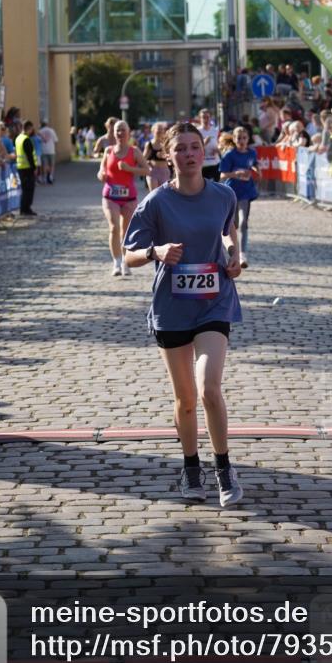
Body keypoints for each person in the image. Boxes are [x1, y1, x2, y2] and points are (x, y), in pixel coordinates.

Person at [123, 122, 244, 506]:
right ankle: (191, 466)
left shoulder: (224, 195)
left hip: (214, 301)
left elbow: (228, 232)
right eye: (181, 149)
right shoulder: (156, 202)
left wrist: (234, 254)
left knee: (209, 386)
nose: (190, 155)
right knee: (186, 399)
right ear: (168, 155)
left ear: (204, 151)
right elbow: (130, 254)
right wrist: (155, 252)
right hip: (172, 307)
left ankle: (224, 466)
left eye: (195, 148)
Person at [97, 120, 148, 276]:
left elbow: (146, 170)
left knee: (126, 231)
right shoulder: (108, 151)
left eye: (123, 130)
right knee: (114, 227)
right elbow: (101, 171)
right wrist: (101, 175)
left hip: (129, 197)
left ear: (129, 132)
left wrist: (129, 168)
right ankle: (116, 263)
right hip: (110, 195)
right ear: (113, 132)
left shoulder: (135, 152)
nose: (120, 133)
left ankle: (126, 261)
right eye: (117, 130)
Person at [219, 125, 260, 268]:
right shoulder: (230, 155)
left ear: (248, 139)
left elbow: (254, 164)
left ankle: (242, 254)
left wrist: (256, 170)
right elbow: (222, 175)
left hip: (246, 192)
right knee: (233, 224)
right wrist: (235, 174)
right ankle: (231, 251)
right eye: (239, 138)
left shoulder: (252, 153)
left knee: (243, 223)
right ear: (234, 139)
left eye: (244, 138)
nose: (242, 140)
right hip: (232, 192)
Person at [15, 119, 38, 216]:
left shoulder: (18, 138)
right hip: (27, 168)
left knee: (25, 189)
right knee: (28, 190)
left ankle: (23, 208)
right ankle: (26, 209)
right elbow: (29, 155)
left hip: (21, 167)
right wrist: (34, 168)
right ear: (29, 128)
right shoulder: (26, 139)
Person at [143, 122, 170, 191]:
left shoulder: (166, 144)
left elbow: (171, 158)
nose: (160, 132)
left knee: (164, 193)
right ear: (153, 131)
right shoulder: (149, 144)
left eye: (161, 130)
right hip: (153, 172)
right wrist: (148, 163)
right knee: (154, 193)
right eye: (158, 130)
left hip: (164, 172)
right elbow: (142, 159)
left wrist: (165, 156)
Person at [196, 109, 220, 181]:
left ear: (210, 118)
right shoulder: (197, 131)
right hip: (203, 164)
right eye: (204, 117)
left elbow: (220, 145)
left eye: (208, 117)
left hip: (215, 163)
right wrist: (204, 143)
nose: (206, 119)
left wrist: (218, 150)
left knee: (216, 187)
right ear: (200, 119)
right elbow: (194, 148)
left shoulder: (215, 131)